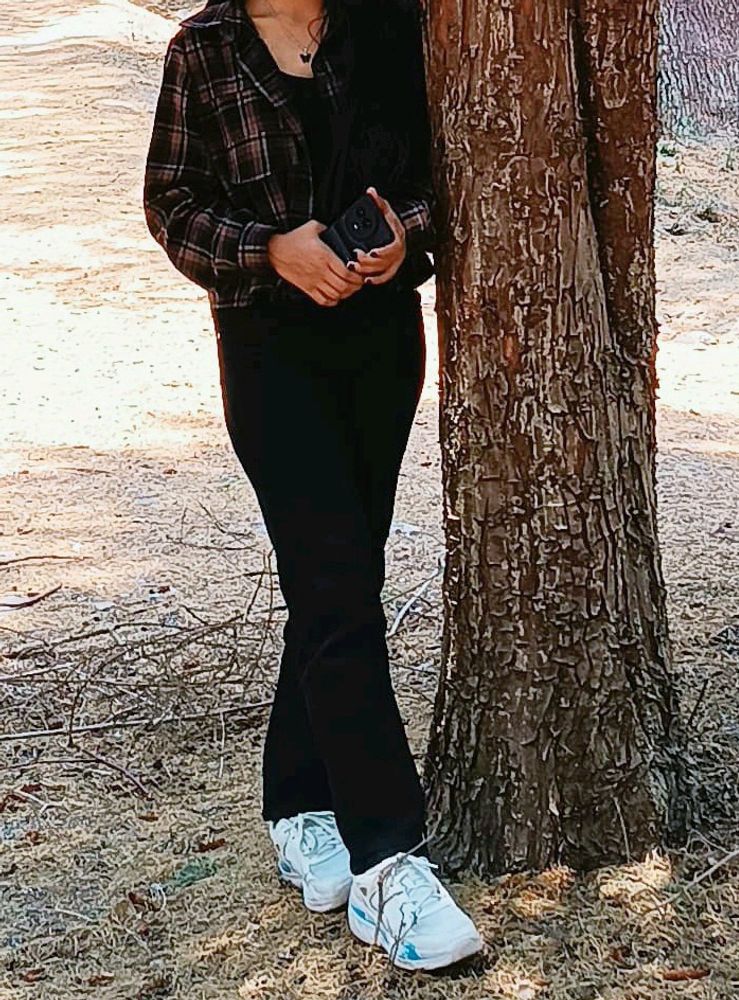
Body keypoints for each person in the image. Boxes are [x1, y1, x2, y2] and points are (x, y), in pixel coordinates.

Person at [143, 0, 482, 971]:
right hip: (269, 352)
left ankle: (297, 805)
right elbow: (171, 202)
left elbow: (435, 179)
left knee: (339, 586)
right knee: (334, 587)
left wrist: (392, 237)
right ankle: (386, 863)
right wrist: (271, 248)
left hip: (381, 344)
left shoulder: (388, 26)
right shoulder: (203, 53)